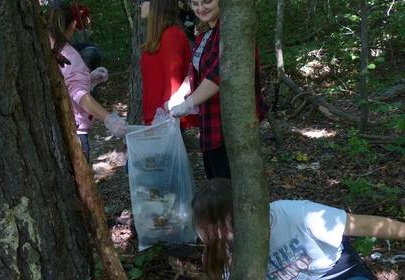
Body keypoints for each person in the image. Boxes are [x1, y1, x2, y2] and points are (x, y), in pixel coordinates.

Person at [191, 178, 405, 280]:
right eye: (213, 230)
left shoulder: (296, 214)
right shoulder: (221, 251)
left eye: (225, 223)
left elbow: (369, 225)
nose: (222, 234)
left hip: (335, 273)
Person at [165, 0, 269, 180]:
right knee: (214, 178)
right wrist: (180, 94)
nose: (200, 8)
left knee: (227, 183)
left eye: (207, 1)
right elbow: (195, 70)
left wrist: (189, 103)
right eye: (195, 3)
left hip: (230, 121)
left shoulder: (232, 30)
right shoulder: (205, 31)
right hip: (209, 120)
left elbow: (220, 72)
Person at [45, 2, 127, 162]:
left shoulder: (43, 48)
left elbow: (62, 85)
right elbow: (78, 94)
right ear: (74, 24)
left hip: (51, 131)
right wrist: (109, 119)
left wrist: (88, 79)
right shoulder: (68, 53)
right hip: (74, 134)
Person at [139, 0, 198, 129]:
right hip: (157, 118)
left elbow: (173, 84)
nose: (140, 5)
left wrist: (162, 118)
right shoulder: (162, 35)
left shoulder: (171, 35)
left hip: (166, 120)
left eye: (143, 1)